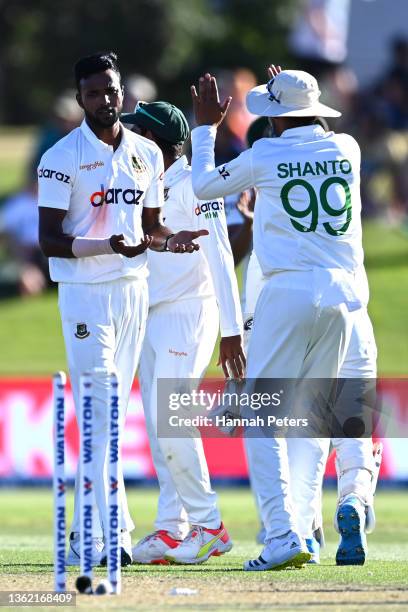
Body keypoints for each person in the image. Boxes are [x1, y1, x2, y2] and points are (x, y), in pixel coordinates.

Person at [190, 65, 366, 571]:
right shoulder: (346, 148)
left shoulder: (264, 153)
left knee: (262, 420)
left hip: (287, 289)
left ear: (278, 117)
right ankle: (304, 530)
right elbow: (313, 138)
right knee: (310, 419)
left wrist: (206, 128)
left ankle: (283, 536)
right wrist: (291, 94)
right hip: (342, 295)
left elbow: (204, 186)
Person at [38, 51, 207, 567]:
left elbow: (148, 228)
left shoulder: (146, 156)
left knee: (116, 414)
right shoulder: (61, 158)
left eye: (111, 91)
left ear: (121, 93)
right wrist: (109, 245)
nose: (105, 101)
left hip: (134, 290)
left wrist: (168, 240)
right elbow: (50, 240)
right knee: (101, 412)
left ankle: (108, 529)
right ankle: (98, 531)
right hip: (87, 294)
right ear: (80, 98)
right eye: (93, 93)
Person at [120, 100, 244, 564]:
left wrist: (232, 333)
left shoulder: (195, 183)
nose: (129, 137)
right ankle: (174, 528)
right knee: (157, 427)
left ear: (154, 141)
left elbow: (221, 257)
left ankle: (209, 525)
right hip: (150, 313)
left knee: (171, 419)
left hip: (190, 310)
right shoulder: (142, 183)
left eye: (137, 131)